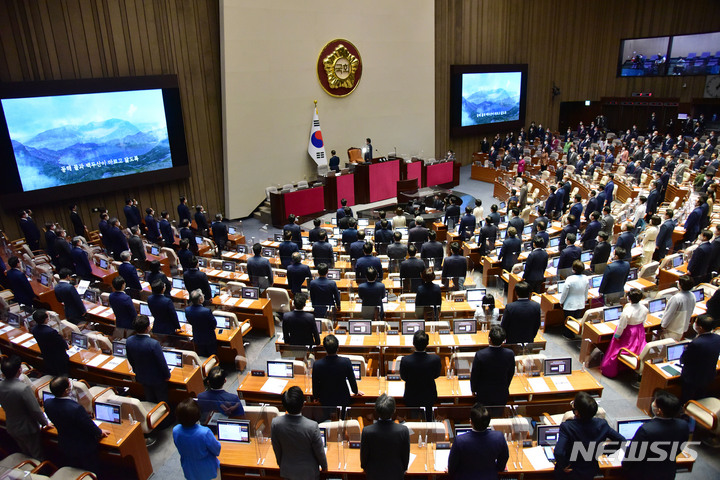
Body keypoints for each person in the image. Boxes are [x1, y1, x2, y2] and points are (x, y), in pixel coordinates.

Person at [554, 392, 625, 480]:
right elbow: (622, 441)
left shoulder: (567, 427)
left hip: (570, 473)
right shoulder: (602, 424)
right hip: (589, 471)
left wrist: (564, 465)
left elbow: (559, 452)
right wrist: (603, 451)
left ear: (577, 412)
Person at [44, 376, 109, 472]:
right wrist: (100, 432)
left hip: (65, 443)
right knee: (90, 470)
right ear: (66, 390)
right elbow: (88, 425)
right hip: (84, 447)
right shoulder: (75, 408)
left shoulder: (47, 403)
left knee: (74, 467)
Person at [621, 390, 690, 480]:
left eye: (654, 402)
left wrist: (625, 467)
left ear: (659, 411)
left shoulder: (646, 430)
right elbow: (680, 447)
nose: (652, 403)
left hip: (644, 474)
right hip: (668, 471)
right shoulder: (683, 425)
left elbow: (632, 455)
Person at [271, 386, 328, 479]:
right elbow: (320, 452)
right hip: (308, 474)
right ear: (303, 404)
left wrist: (281, 464)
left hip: (287, 472)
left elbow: (277, 449)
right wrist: (324, 467)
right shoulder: (312, 426)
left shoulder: (275, 423)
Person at [0, 356, 49, 459]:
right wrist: (45, 423)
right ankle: (40, 472)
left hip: (11, 425)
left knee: (25, 452)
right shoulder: (23, 389)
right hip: (27, 428)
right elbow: (35, 410)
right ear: (20, 370)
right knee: (36, 455)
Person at [447, 403, 509, 480]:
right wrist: (498, 468)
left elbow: (452, 467)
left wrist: (451, 471)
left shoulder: (460, 440)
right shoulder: (499, 437)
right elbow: (504, 458)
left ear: (470, 422)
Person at [360, 394, 410, 479]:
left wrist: (366, 468)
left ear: (375, 410)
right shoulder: (403, 431)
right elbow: (405, 457)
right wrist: (402, 469)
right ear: (394, 410)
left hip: (374, 474)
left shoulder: (367, 431)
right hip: (396, 474)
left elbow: (364, 457)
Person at [601, 289, 648, 378]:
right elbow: (644, 321)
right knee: (636, 349)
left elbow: (621, 326)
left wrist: (617, 335)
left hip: (628, 332)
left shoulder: (627, 311)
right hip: (639, 330)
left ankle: (610, 369)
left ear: (629, 298)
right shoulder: (644, 308)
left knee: (617, 349)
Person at [173, 398, 222, 480]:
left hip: (189, 469)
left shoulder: (175, 430)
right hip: (207, 470)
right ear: (198, 415)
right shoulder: (205, 432)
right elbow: (217, 450)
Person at [126, 315, 171, 403]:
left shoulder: (129, 340)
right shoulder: (153, 344)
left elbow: (130, 359)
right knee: (162, 403)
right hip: (157, 379)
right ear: (147, 328)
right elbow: (161, 362)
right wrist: (167, 375)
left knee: (149, 399)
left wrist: (136, 371)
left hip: (141, 376)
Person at [400, 330, 441, 420]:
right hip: (429, 396)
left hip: (411, 396)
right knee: (428, 421)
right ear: (427, 344)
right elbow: (436, 375)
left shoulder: (405, 360)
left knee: (413, 422)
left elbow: (404, 377)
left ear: (413, 343)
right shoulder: (435, 359)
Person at [312, 334, 362, 407]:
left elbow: (315, 384)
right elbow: (352, 381)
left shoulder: (317, 364)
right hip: (343, 400)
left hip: (325, 401)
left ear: (324, 348)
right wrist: (356, 391)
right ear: (338, 347)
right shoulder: (346, 362)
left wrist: (316, 397)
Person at [470, 326, 515, 407]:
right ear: (503, 341)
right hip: (502, 392)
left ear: (489, 339)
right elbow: (510, 373)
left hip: (484, 394)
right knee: (498, 415)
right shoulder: (510, 354)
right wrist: (505, 386)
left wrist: (473, 389)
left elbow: (475, 375)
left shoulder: (480, 354)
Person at [680, 314, 720, 402]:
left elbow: (684, 360)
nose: (694, 324)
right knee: (701, 394)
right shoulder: (717, 338)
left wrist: (686, 349)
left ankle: (686, 409)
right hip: (708, 375)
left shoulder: (696, 343)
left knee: (687, 398)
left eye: (696, 323)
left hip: (692, 377)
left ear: (700, 328)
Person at [31, 309, 69, 376]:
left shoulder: (34, 329)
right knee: (62, 373)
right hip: (59, 358)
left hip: (47, 356)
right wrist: (67, 346)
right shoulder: (51, 332)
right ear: (46, 319)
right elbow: (62, 343)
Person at [661, 275, 696, 341]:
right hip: (683, 327)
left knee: (668, 347)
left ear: (680, 285)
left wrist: (663, 325)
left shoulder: (676, 298)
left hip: (673, 328)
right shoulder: (692, 295)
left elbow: (669, 313)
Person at [560, 260, 589, 338]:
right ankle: (572, 333)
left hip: (570, 303)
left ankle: (567, 334)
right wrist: (585, 299)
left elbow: (565, 293)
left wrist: (561, 302)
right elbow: (586, 291)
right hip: (581, 303)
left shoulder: (570, 279)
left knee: (568, 321)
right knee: (575, 319)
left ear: (573, 269)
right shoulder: (586, 278)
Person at [185, 289, 217, 356]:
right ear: (200, 300)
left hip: (197, 336)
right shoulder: (206, 311)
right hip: (209, 337)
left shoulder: (187, 310)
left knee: (201, 353)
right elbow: (214, 324)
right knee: (212, 355)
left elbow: (190, 321)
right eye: (202, 295)